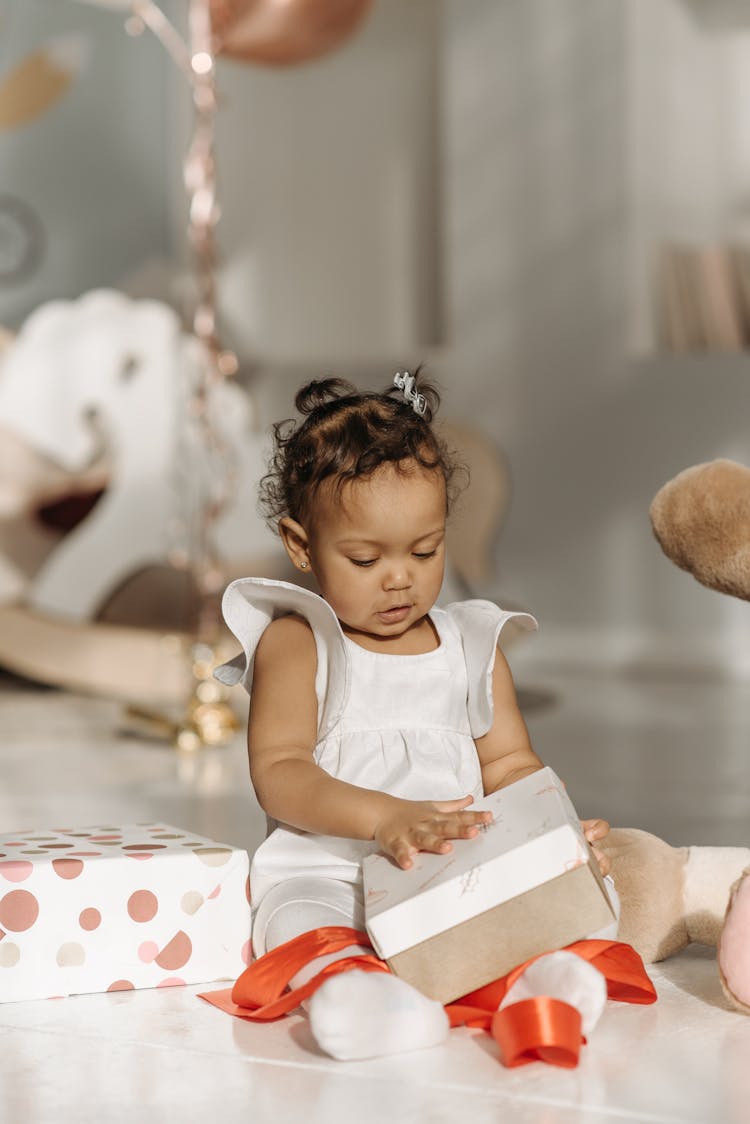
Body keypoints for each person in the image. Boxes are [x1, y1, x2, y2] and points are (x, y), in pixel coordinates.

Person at [216, 371, 615, 1060]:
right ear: (301, 545)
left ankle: (533, 988)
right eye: (366, 558)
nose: (400, 577)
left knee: (526, 913)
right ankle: (356, 995)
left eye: (424, 551)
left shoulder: (471, 644)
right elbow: (280, 773)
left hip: (451, 873)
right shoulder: (300, 641)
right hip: (331, 870)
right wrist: (384, 818)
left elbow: (510, 762)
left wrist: (553, 830)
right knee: (294, 920)